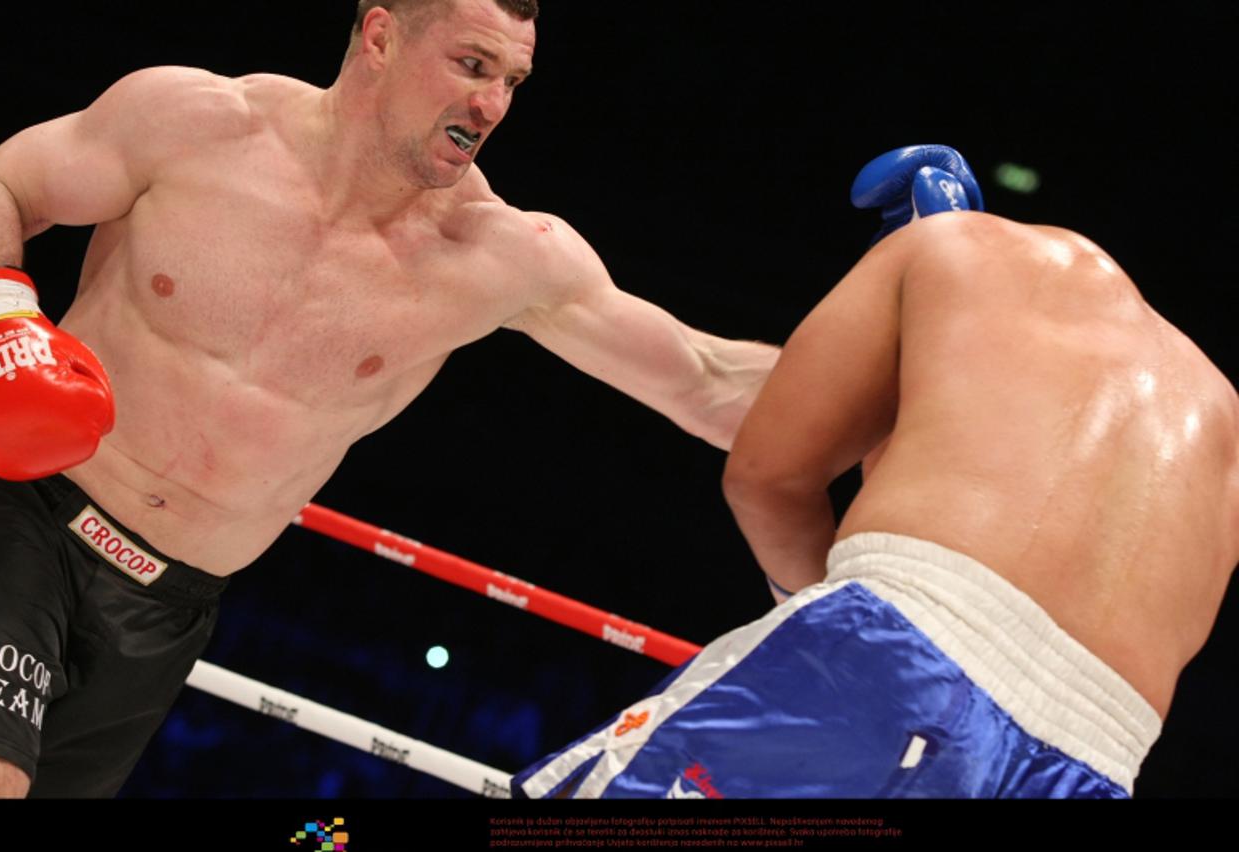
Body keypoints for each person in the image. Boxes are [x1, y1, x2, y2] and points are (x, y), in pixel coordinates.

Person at [0, 0, 982, 797]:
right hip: (18, 511)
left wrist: (918, 338)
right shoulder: (190, 123)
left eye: (512, 81)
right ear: (379, 38)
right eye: (472, 64)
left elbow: (709, 383)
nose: (492, 104)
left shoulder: (498, 256)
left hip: (168, 610)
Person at [512, 210, 1239, 798]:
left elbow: (766, 477)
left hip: (891, 662)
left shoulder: (950, 245)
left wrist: (804, 600)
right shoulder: (1221, 419)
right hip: (1094, 769)